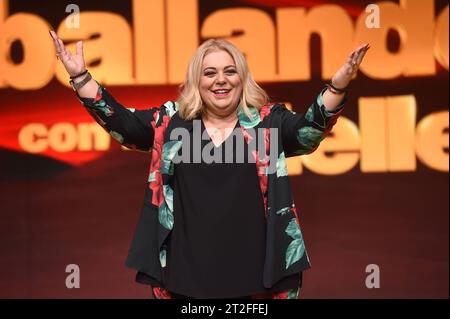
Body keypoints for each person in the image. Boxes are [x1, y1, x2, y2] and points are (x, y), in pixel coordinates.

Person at [49, 30, 369, 299]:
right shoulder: (171, 122)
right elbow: (123, 124)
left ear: (242, 78)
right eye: (210, 72)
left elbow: (310, 129)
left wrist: (338, 85)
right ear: (196, 80)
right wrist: (80, 76)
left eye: (230, 71)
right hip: (186, 280)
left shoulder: (267, 122)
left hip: (258, 280)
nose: (221, 80)